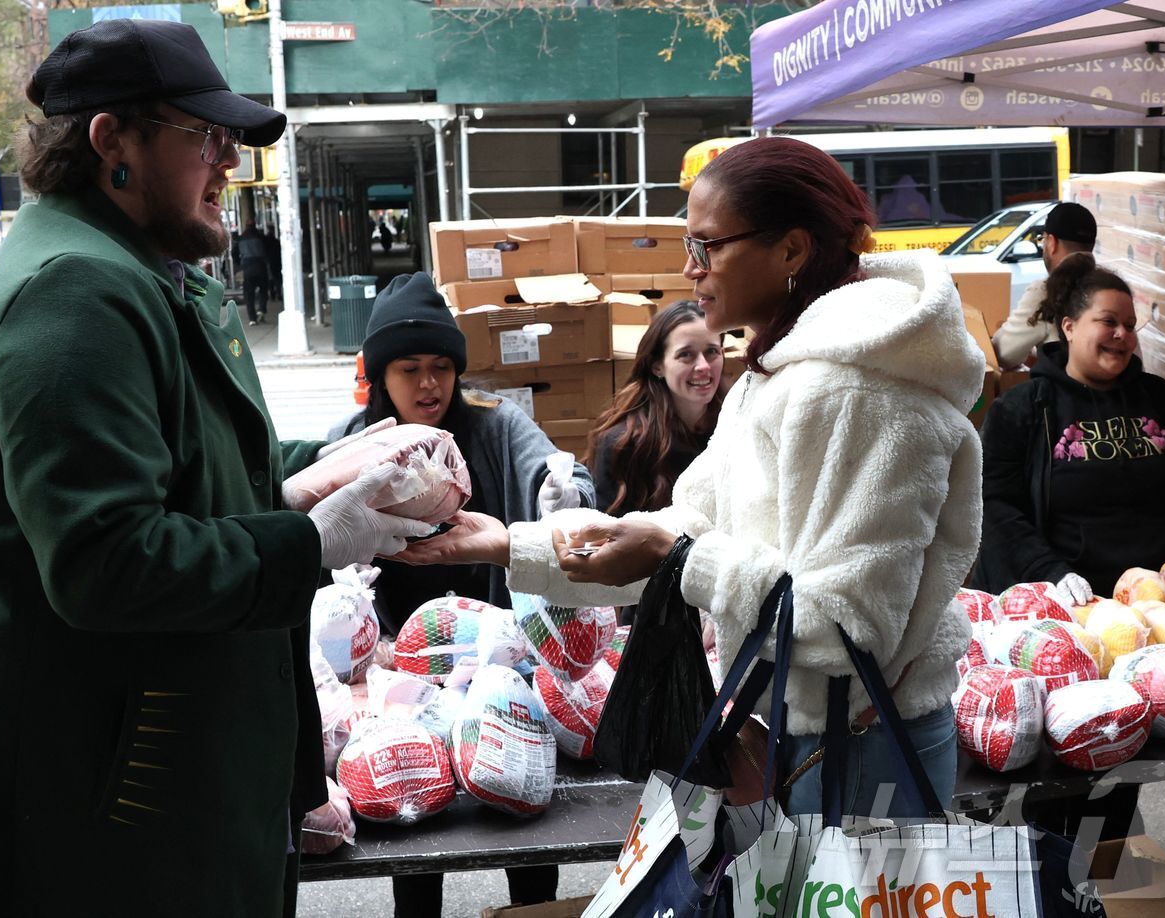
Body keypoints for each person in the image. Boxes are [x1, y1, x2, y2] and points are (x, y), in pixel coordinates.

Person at [0, 20, 432, 918]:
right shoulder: (76, 291)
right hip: (80, 792)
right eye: (205, 137)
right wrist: (309, 540)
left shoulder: (131, 268)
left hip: (115, 771)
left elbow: (174, 455)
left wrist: (316, 469)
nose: (229, 162)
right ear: (110, 141)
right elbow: (108, 561)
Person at [401, 137, 986, 817]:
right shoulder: (777, 376)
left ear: (791, 251)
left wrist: (682, 558)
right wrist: (511, 545)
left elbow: (847, 628)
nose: (689, 269)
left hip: (865, 752)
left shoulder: (860, 393)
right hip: (803, 739)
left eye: (707, 247)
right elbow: (687, 526)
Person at [323, 271, 592, 916]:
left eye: (441, 366)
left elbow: (557, 474)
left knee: (527, 824)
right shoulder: (351, 448)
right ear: (380, 375)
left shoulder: (494, 428)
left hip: (501, 659)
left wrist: (564, 497)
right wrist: (370, 646)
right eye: (408, 367)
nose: (427, 384)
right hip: (398, 668)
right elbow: (321, 561)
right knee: (417, 833)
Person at [973, 252, 1165, 602]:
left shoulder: (1162, 399)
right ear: (1069, 326)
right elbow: (996, 510)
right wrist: (1051, 573)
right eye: (1108, 321)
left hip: (1156, 600)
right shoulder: (1022, 409)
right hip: (1065, 601)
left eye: (1130, 325)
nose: (1122, 334)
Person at [588, 299, 726, 517]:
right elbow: (608, 534)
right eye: (686, 355)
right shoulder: (623, 443)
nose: (703, 366)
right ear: (657, 366)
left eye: (712, 351)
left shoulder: (736, 426)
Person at [992, 201, 1097, 369]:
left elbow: (1004, 353)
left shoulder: (1048, 292)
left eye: (1042, 240)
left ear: (1051, 243)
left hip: (1068, 394)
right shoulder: (1109, 286)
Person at [239, 218, 270, 324]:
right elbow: (268, 249)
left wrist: (240, 263)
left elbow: (234, 252)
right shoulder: (261, 237)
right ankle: (261, 309)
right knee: (263, 289)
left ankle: (252, 318)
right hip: (260, 266)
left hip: (247, 267)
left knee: (249, 294)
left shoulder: (241, 238)